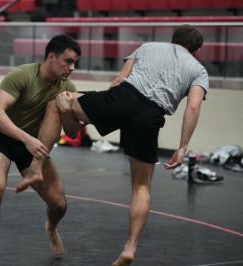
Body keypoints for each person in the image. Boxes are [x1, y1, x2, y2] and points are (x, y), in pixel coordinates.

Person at [19, 25, 209, 266]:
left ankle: (36, 166)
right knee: (141, 187)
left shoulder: (148, 47)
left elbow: (120, 80)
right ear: (197, 50)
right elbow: (193, 108)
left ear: (173, 40)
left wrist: (103, 108)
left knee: (59, 101)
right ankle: (129, 249)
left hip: (122, 99)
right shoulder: (198, 70)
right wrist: (182, 147)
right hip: (150, 117)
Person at [0, 34, 81, 266]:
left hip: (34, 145)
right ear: (51, 57)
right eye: (68, 61)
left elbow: (73, 133)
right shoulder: (22, 75)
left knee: (59, 205)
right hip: (3, 137)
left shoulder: (68, 87)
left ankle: (51, 228)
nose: (72, 68)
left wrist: (66, 111)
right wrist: (26, 139)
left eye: (74, 63)